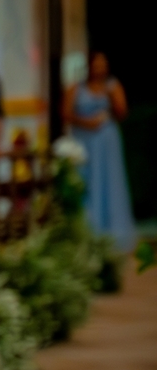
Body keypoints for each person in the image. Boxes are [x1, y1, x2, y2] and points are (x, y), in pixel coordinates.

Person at [64, 51, 137, 251]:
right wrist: (85, 122)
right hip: (85, 142)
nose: (99, 69)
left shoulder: (112, 86)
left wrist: (111, 97)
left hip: (106, 142)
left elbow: (122, 112)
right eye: (96, 65)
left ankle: (112, 233)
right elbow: (66, 113)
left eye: (102, 65)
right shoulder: (76, 88)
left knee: (109, 182)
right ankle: (87, 231)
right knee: (86, 183)